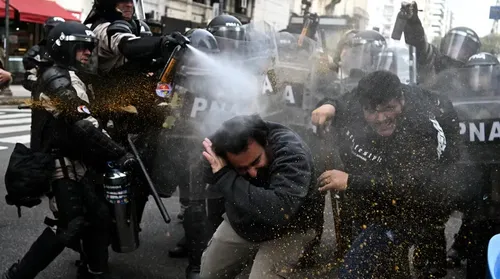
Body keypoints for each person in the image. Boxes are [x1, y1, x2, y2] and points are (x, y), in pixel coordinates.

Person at [2, 21, 134, 279]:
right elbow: (83, 125)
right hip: (62, 164)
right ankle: (17, 275)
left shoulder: (67, 74)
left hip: (78, 161)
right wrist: (119, 153)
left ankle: (94, 269)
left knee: (97, 217)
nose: (87, 52)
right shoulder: (57, 79)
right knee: (68, 223)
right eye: (81, 47)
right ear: (64, 48)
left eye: (89, 47)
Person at [312, 70, 464, 278]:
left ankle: (429, 255)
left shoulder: (420, 125)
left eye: (389, 109)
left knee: (425, 230)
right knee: (377, 252)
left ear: (401, 100)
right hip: (389, 176)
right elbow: (344, 100)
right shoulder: (363, 99)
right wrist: (329, 105)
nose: (381, 118)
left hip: (429, 186)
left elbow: (409, 184)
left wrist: (350, 180)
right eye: (372, 112)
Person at [199, 114, 324, 279]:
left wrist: (225, 176)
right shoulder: (227, 142)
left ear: (265, 142)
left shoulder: (292, 153)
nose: (252, 172)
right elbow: (204, 171)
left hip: (290, 228)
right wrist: (212, 155)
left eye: (256, 161)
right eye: (242, 168)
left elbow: (280, 210)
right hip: (244, 220)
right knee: (209, 274)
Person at [397, 1, 481, 84]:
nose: (455, 48)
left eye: (463, 47)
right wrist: (413, 24)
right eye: (453, 43)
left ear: (470, 52)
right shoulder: (436, 61)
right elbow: (421, 47)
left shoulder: (475, 75)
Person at [22, 16, 65, 93]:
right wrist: (40, 85)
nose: (54, 33)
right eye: (52, 29)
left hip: (67, 87)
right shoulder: (38, 49)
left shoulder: (70, 49)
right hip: (44, 91)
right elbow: (28, 77)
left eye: (58, 30)